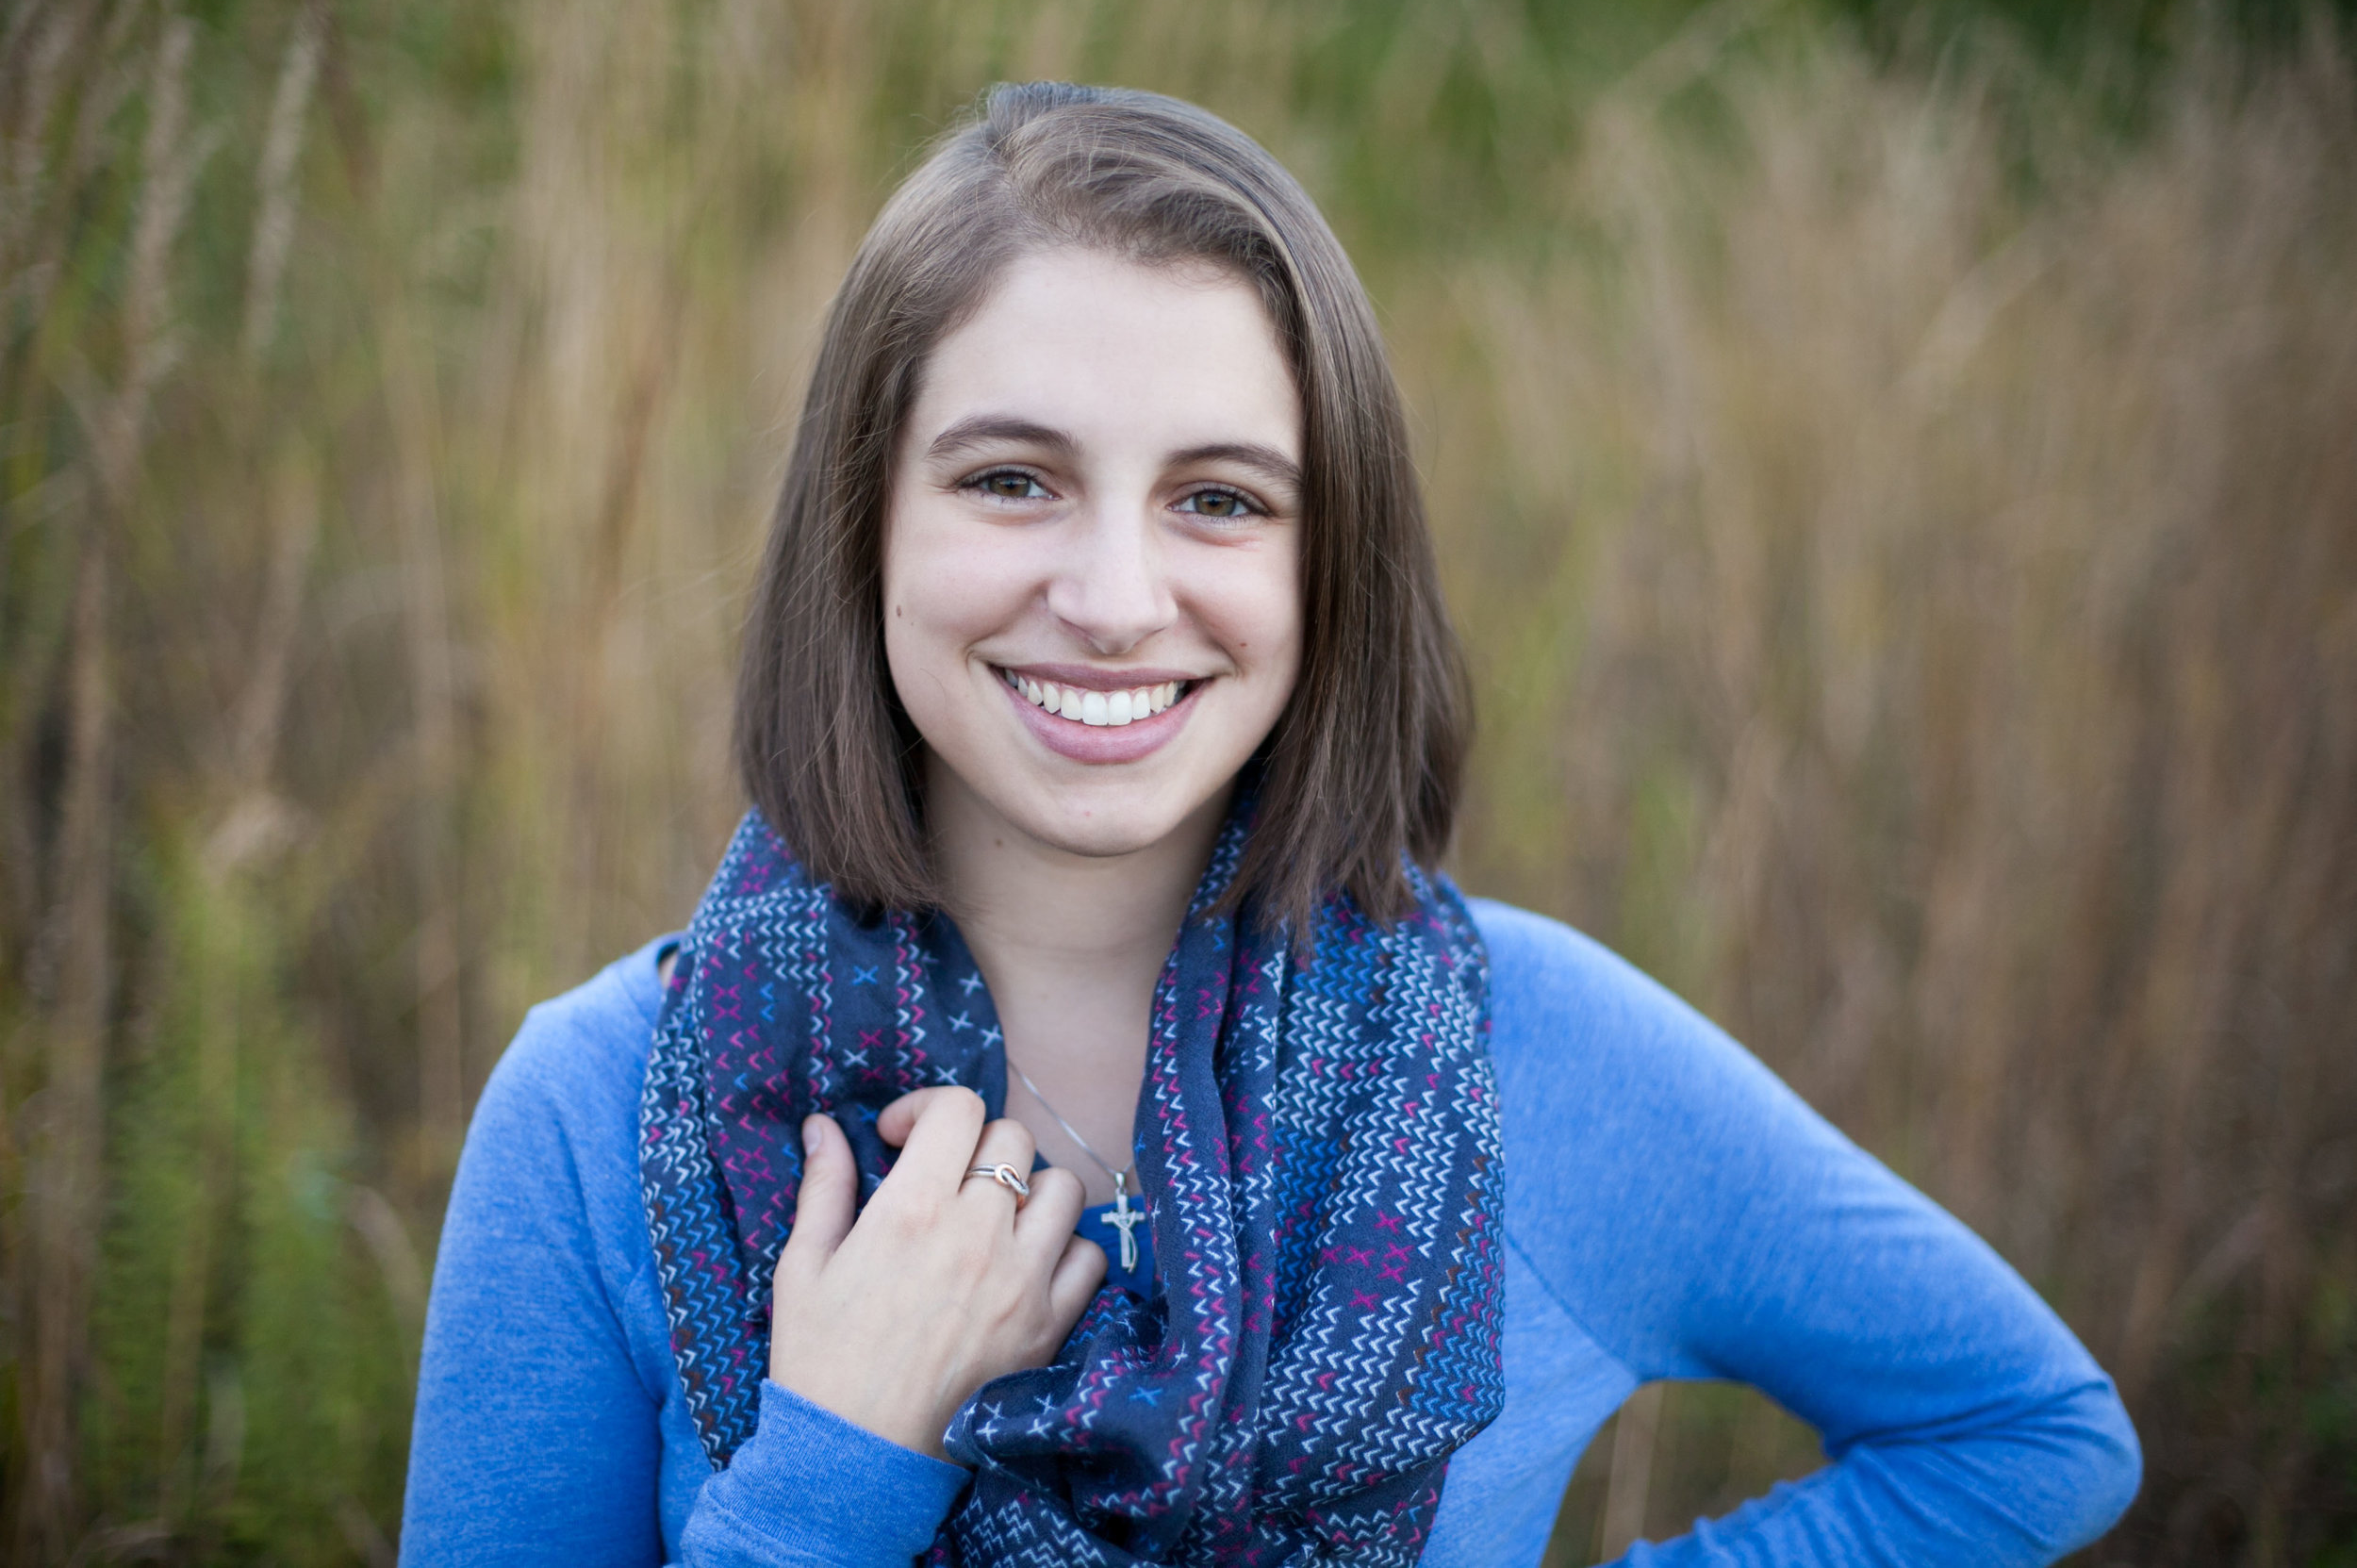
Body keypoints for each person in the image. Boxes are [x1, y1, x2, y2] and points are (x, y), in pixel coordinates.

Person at [398, 83, 2140, 1566]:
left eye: (1220, 500)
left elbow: (2026, 1431)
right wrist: (836, 1459)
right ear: (864, 528)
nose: (1112, 593)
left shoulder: (1534, 1055)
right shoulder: (605, 1111)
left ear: (1332, 569)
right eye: (1012, 478)